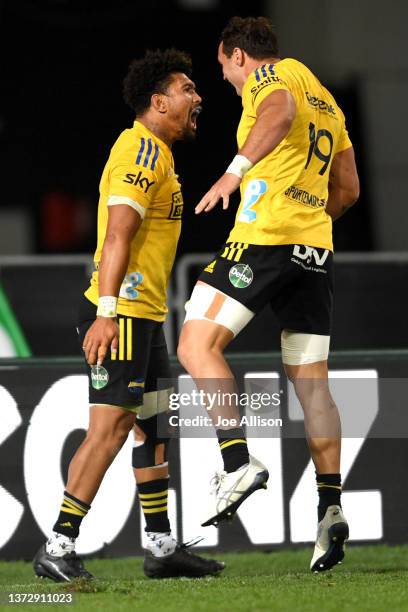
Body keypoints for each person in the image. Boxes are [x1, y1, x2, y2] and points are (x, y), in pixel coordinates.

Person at [33, 48, 225, 581]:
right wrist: (107, 311)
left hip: (144, 317)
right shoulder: (140, 151)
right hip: (119, 315)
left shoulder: (160, 154)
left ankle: (161, 548)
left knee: (154, 427)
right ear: (158, 102)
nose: (197, 97)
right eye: (187, 89)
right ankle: (58, 546)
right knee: (111, 427)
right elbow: (117, 234)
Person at [177, 16, 359, 572]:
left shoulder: (274, 76)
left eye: (222, 68)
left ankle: (236, 461)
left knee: (194, 345)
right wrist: (308, 223)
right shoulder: (328, 100)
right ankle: (330, 508)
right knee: (314, 388)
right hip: (314, 251)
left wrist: (233, 175)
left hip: (263, 240)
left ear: (235, 55)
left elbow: (276, 111)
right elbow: (348, 188)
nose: (226, 81)